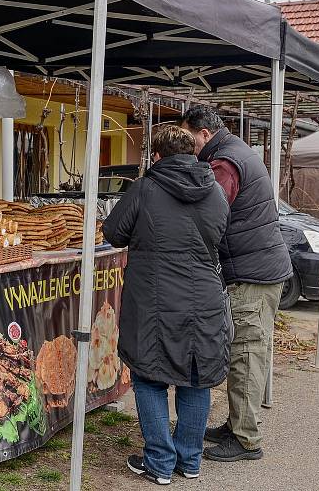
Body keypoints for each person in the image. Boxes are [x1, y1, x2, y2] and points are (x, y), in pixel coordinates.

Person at [104, 125, 231, 485]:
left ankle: (160, 461)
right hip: (204, 299)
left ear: (156, 156)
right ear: (193, 154)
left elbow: (113, 233)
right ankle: (189, 460)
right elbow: (221, 232)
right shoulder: (216, 192)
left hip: (154, 303)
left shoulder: (145, 188)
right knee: (196, 380)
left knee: (149, 378)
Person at [181, 105, 292, 462]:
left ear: (204, 134)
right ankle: (237, 424)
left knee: (245, 354)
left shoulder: (225, 164)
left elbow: (209, 209)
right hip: (258, 268)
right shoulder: (236, 151)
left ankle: (246, 439)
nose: (188, 146)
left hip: (252, 274)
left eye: (189, 139)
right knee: (246, 352)